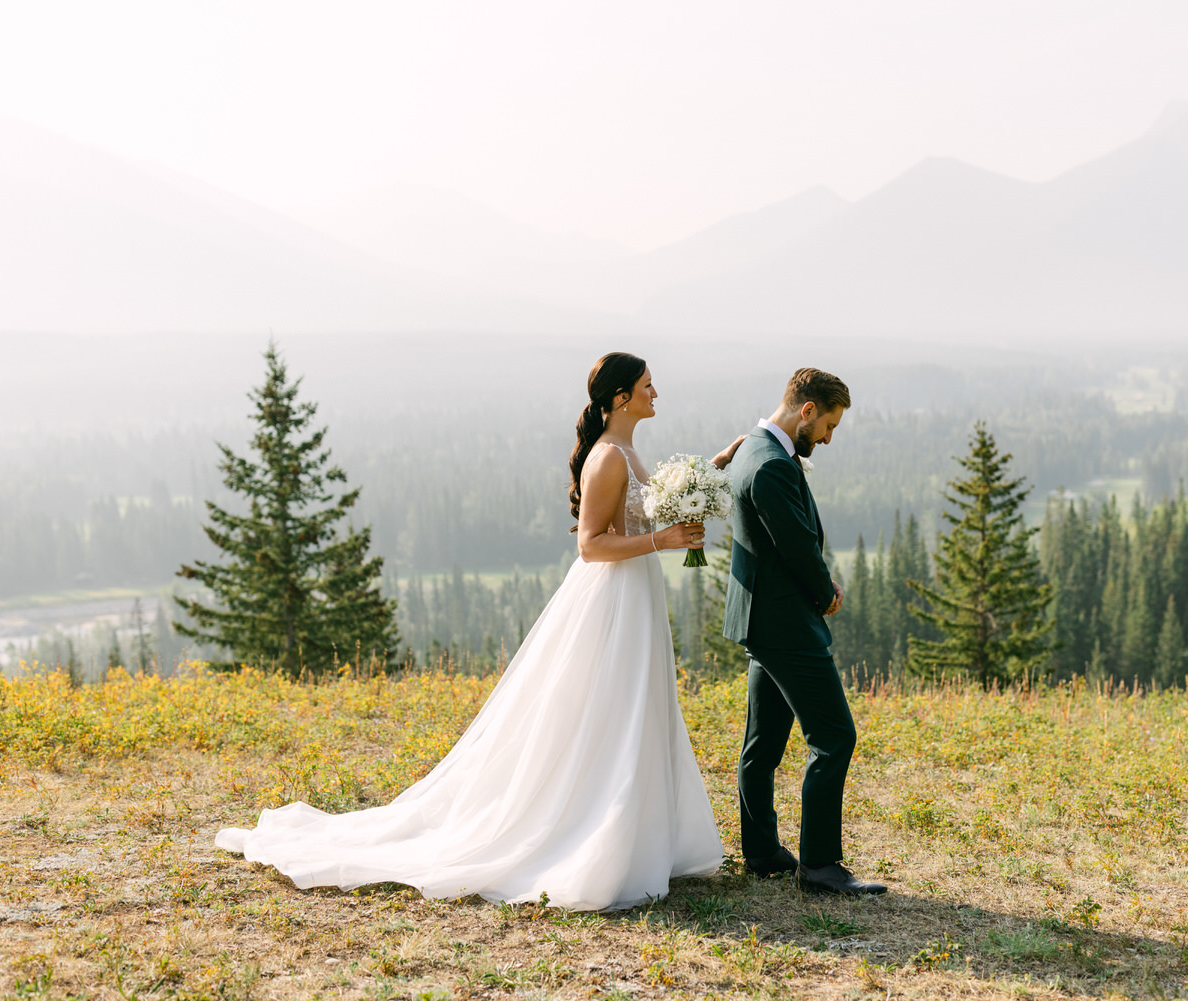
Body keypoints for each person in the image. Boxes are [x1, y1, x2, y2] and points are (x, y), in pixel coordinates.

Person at [216, 352, 739, 911]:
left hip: (637, 594)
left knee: (635, 710)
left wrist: (705, 475)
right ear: (619, 397)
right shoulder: (607, 458)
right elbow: (590, 547)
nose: (655, 393)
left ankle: (638, 836)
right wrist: (663, 542)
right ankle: (595, 838)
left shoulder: (627, 451)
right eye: (647, 385)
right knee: (608, 711)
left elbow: (644, 510)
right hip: (612, 597)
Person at [722, 367, 886, 896]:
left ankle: (762, 851)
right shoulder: (769, 464)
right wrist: (827, 593)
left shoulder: (751, 448)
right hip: (786, 622)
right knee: (834, 736)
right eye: (828, 426)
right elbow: (797, 547)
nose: (828, 439)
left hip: (760, 619)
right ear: (806, 410)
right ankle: (818, 866)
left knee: (762, 745)